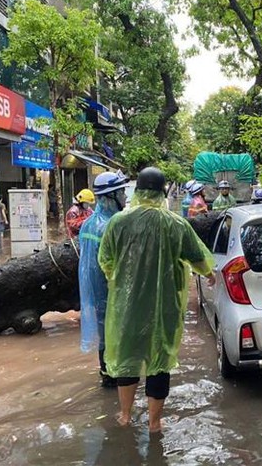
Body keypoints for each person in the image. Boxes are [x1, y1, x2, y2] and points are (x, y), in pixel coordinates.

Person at [98, 167, 216, 433]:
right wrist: (209, 274)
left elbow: (106, 261)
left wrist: (121, 283)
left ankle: (126, 416)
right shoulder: (175, 223)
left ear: (136, 190)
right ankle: (154, 422)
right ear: (163, 192)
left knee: (127, 357)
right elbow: (197, 255)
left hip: (127, 306)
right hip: (164, 307)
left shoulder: (118, 222)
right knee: (159, 361)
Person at [79, 171, 129, 388]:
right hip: (111, 290)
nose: (125, 197)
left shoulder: (88, 223)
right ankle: (116, 378)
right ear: (111, 197)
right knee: (116, 333)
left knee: (104, 332)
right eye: (121, 192)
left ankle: (106, 375)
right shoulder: (114, 225)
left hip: (94, 290)